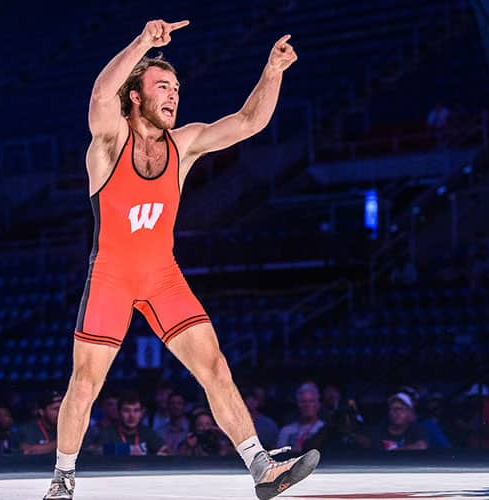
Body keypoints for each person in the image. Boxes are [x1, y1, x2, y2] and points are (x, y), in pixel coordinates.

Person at [42, 18, 318, 500]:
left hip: (162, 276)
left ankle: (261, 468)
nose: (173, 96)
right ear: (135, 96)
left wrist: (272, 71)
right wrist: (143, 43)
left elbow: (248, 123)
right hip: (111, 275)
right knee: (85, 381)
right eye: (161, 87)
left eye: (176, 88)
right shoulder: (110, 141)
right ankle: (63, 480)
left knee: (215, 366)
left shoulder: (183, 144)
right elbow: (98, 95)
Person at [98, 394, 170, 457]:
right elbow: (93, 450)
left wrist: (150, 456)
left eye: (136, 410)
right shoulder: (108, 432)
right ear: (118, 412)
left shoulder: (147, 432)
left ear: (141, 413)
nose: (132, 416)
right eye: (126, 410)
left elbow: (167, 452)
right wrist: (127, 450)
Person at [277, 383, 326, 452]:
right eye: (303, 402)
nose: (307, 405)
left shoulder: (325, 429)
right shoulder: (286, 431)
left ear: (318, 404)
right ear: (297, 404)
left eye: (311, 401)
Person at [20, 391, 63, 455]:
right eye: (55, 409)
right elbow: (28, 450)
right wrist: (64, 443)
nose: (60, 412)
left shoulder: (69, 428)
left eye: (63, 408)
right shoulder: (28, 429)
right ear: (41, 412)